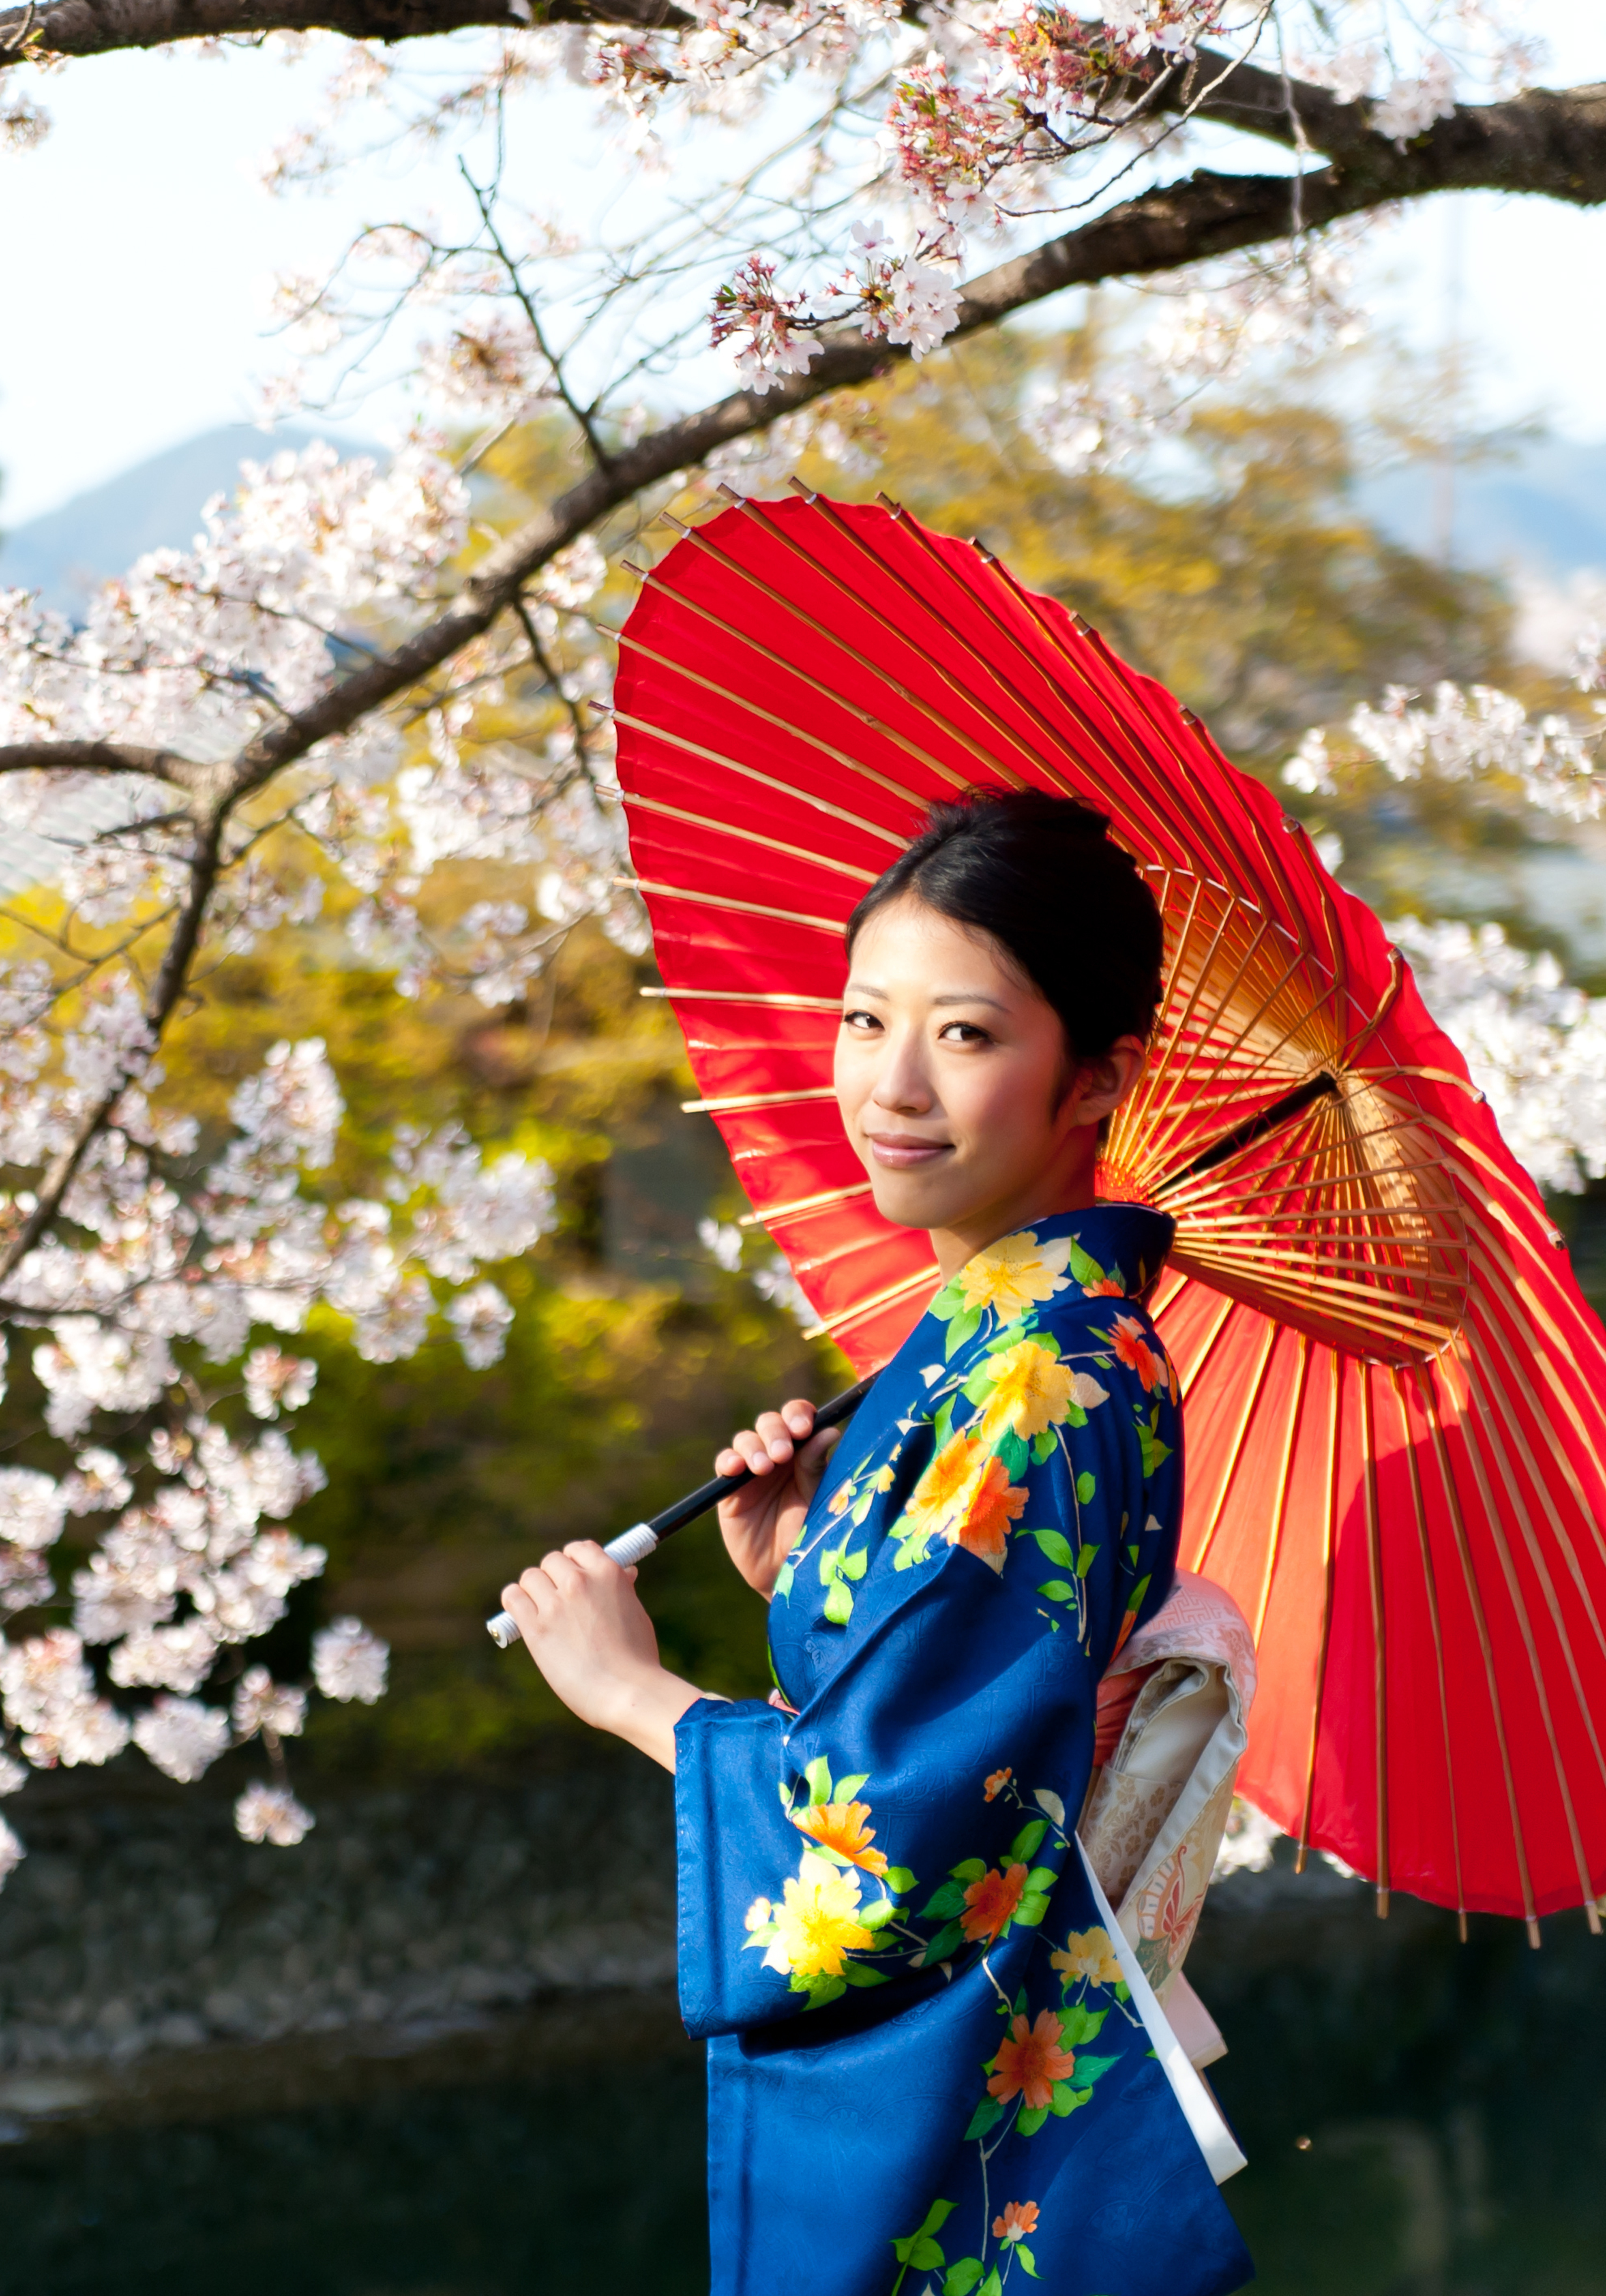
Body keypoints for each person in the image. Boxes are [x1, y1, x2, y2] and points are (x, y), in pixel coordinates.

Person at [502, 790, 1252, 2296]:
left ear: (1100, 1078)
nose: (891, 1086)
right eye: (864, 1020)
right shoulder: (1003, 1344)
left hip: (959, 2101)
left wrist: (634, 1691)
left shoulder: (1039, 1379)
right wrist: (809, 1565)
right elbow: (944, 1675)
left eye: (966, 1037)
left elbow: (905, 1832)